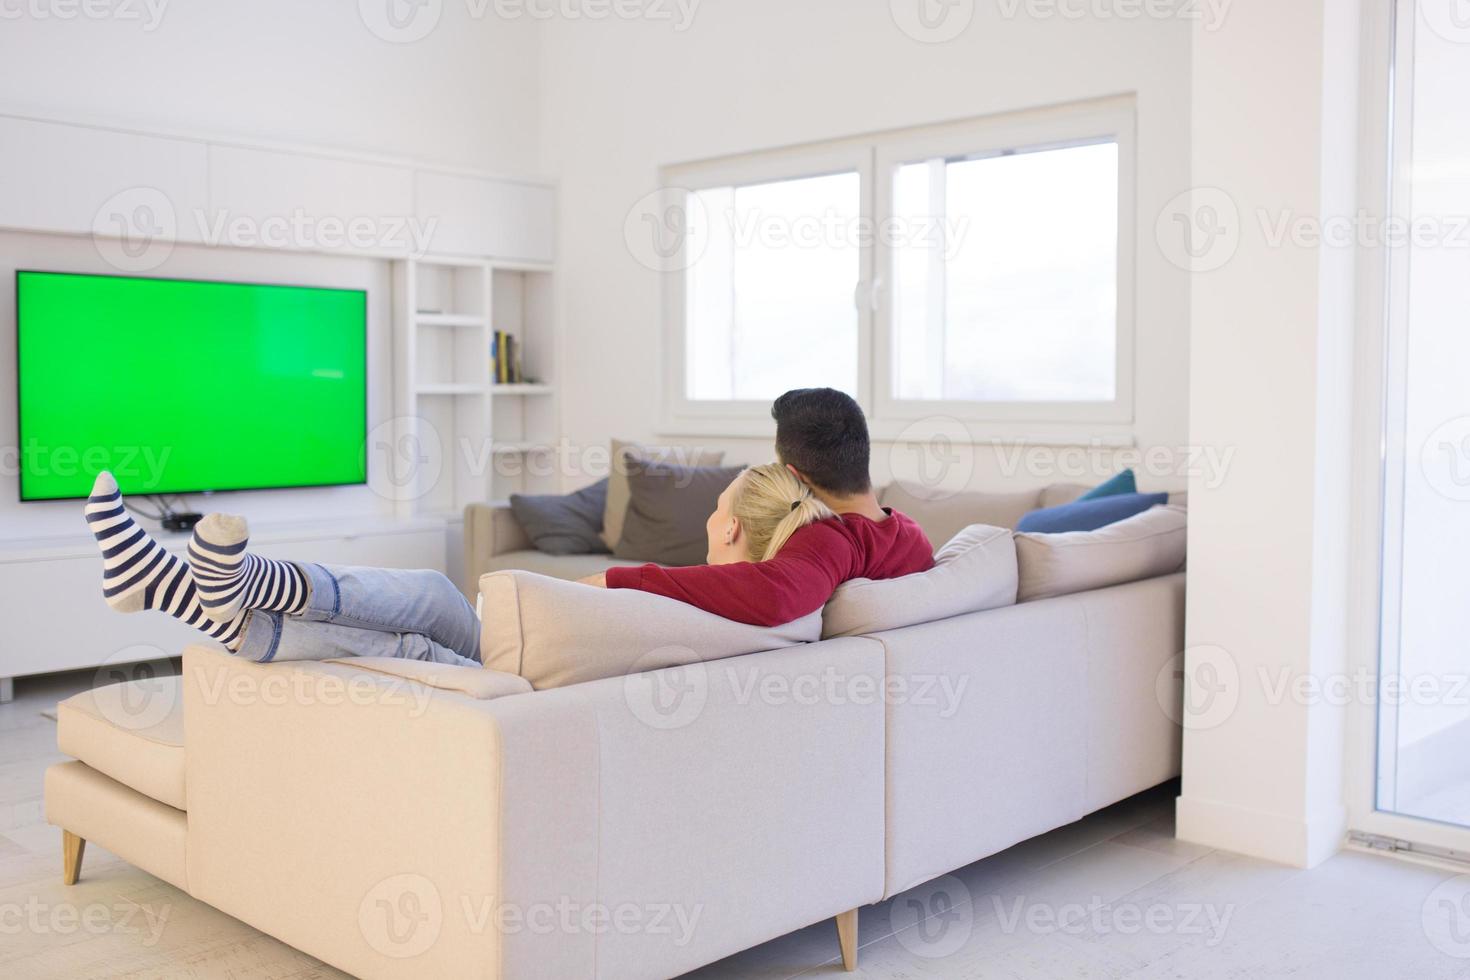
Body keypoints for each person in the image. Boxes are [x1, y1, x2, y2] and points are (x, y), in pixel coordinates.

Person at [82, 462, 837, 668]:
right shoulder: (780, 600)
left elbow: (606, 585)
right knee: (423, 606)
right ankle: (183, 588)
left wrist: (613, 578)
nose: (707, 515)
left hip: (519, 675)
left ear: (730, 525)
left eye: (716, 505)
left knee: (417, 619)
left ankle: (205, 588)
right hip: (533, 661)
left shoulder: (723, 592)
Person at [590, 387, 935, 626]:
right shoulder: (911, 536)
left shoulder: (833, 540)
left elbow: (774, 596)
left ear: (793, 476)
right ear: (861, 453)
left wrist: (616, 580)